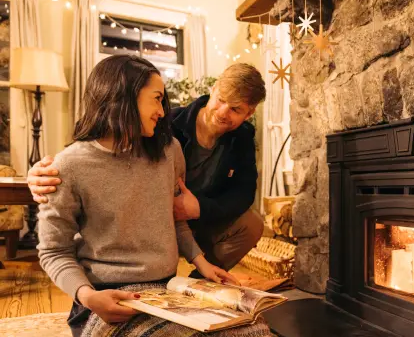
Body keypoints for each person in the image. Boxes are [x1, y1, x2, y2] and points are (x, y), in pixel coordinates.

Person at [36, 55, 237, 337]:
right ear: (124, 96)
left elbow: (173, 218)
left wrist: (201, 263)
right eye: (156, 99)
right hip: (105, 293)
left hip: (167, 290)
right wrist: (88, 296)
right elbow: (53, 251)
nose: (162, 111)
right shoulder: (68, 166)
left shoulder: (169, 151)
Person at [28, 63, 266, 273]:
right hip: (149, 219)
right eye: (221, 100)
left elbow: (244, 193)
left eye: (235, 109)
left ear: (249, 113)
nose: (223, 113)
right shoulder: (164, 123)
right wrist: (43, 172)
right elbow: (97, 153)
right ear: (213, 89)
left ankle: (203, 280)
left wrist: (199, 209)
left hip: (196, 221)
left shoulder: (243, 137)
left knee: (252, 224)